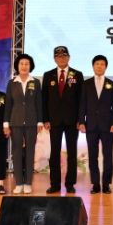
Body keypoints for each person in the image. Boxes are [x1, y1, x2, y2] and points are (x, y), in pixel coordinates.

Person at [43, 46, 84, 194]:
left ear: (69, 57)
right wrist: (45, 119)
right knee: (54, 153)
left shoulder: (77, 75)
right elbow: (44, 99)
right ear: (54, 59)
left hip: (72, 121)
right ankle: (54, 184)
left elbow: (81, 99)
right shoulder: (48, 75)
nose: (61, 58)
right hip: (54, 120)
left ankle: (70, 183)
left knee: (72, 153)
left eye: (64, 56)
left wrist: (80, 119)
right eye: (58, 56)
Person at [78, 55, 113, 194]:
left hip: (107, 126)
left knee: (108, 155)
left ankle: (106, 184)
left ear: (105, 67)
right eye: (97, 64)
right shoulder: (86, 84)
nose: (99, 66)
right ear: (93, 66)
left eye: (102, 64)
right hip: (91, 125)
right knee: (92, 155)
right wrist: (81, 122)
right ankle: (95, 184)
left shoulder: (112, 84)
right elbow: (82, 104)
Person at [4, 53, 43, 194]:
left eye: (27, 64)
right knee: (17, 153)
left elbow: (39, 103)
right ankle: (19, 183)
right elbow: (8, 104)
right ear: (17, 66)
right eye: (21, 63)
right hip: (15, 122)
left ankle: (28, 183)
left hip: (32, 123)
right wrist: (6, 124)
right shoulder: (12, 83)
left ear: (30, 66)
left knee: (30, 152)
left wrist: (40, 121)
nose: (24, 66)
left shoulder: (36, 82)